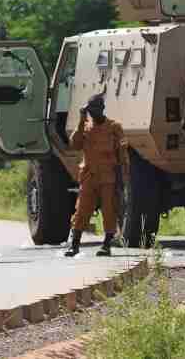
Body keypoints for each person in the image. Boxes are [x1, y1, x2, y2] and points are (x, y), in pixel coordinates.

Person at [65, 94, 129, 257]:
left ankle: (107, 244)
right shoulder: (85, 128)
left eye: (94, 110)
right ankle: (74, 244)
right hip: (89, 176)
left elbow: (123, 156)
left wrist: (123, 179)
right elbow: (74, 144)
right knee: (81, 210)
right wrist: (81, 119)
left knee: (109, 210)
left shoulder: (115, 128)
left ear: (102, 109)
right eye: (89, 110)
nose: (92, 113)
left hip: (109, 176)